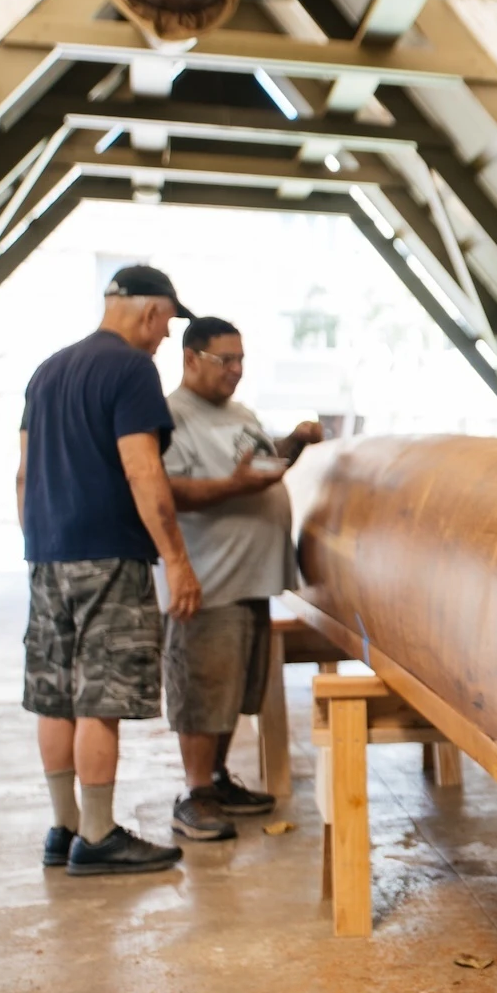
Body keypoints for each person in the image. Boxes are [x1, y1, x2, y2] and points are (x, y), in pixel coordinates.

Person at [17, 264, 203, 878]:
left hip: (47, 555)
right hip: (109, 556)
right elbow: (143, 471)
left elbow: (23, 475)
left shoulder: (48, 371)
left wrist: (41, 544)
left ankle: (64, 828)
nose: (166, 336)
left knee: (55, 695)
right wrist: (176, 561)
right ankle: (97, 837)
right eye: (168, 324)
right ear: (151, 312)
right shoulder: (131, 369)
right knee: (100, 696)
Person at [159, 316, 324, 841]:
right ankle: (194, 793)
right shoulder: (170, 416)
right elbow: (169, 490)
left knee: (233, 691)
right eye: (224, 360)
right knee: (203, 690)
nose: (235, 370)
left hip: (253, 579)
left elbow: (260, 465)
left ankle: (217, 779)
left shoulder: (241, 412)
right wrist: (234, 487)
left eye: (240, 360)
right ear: (190, 358)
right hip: (209, 580)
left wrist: (294, 443)